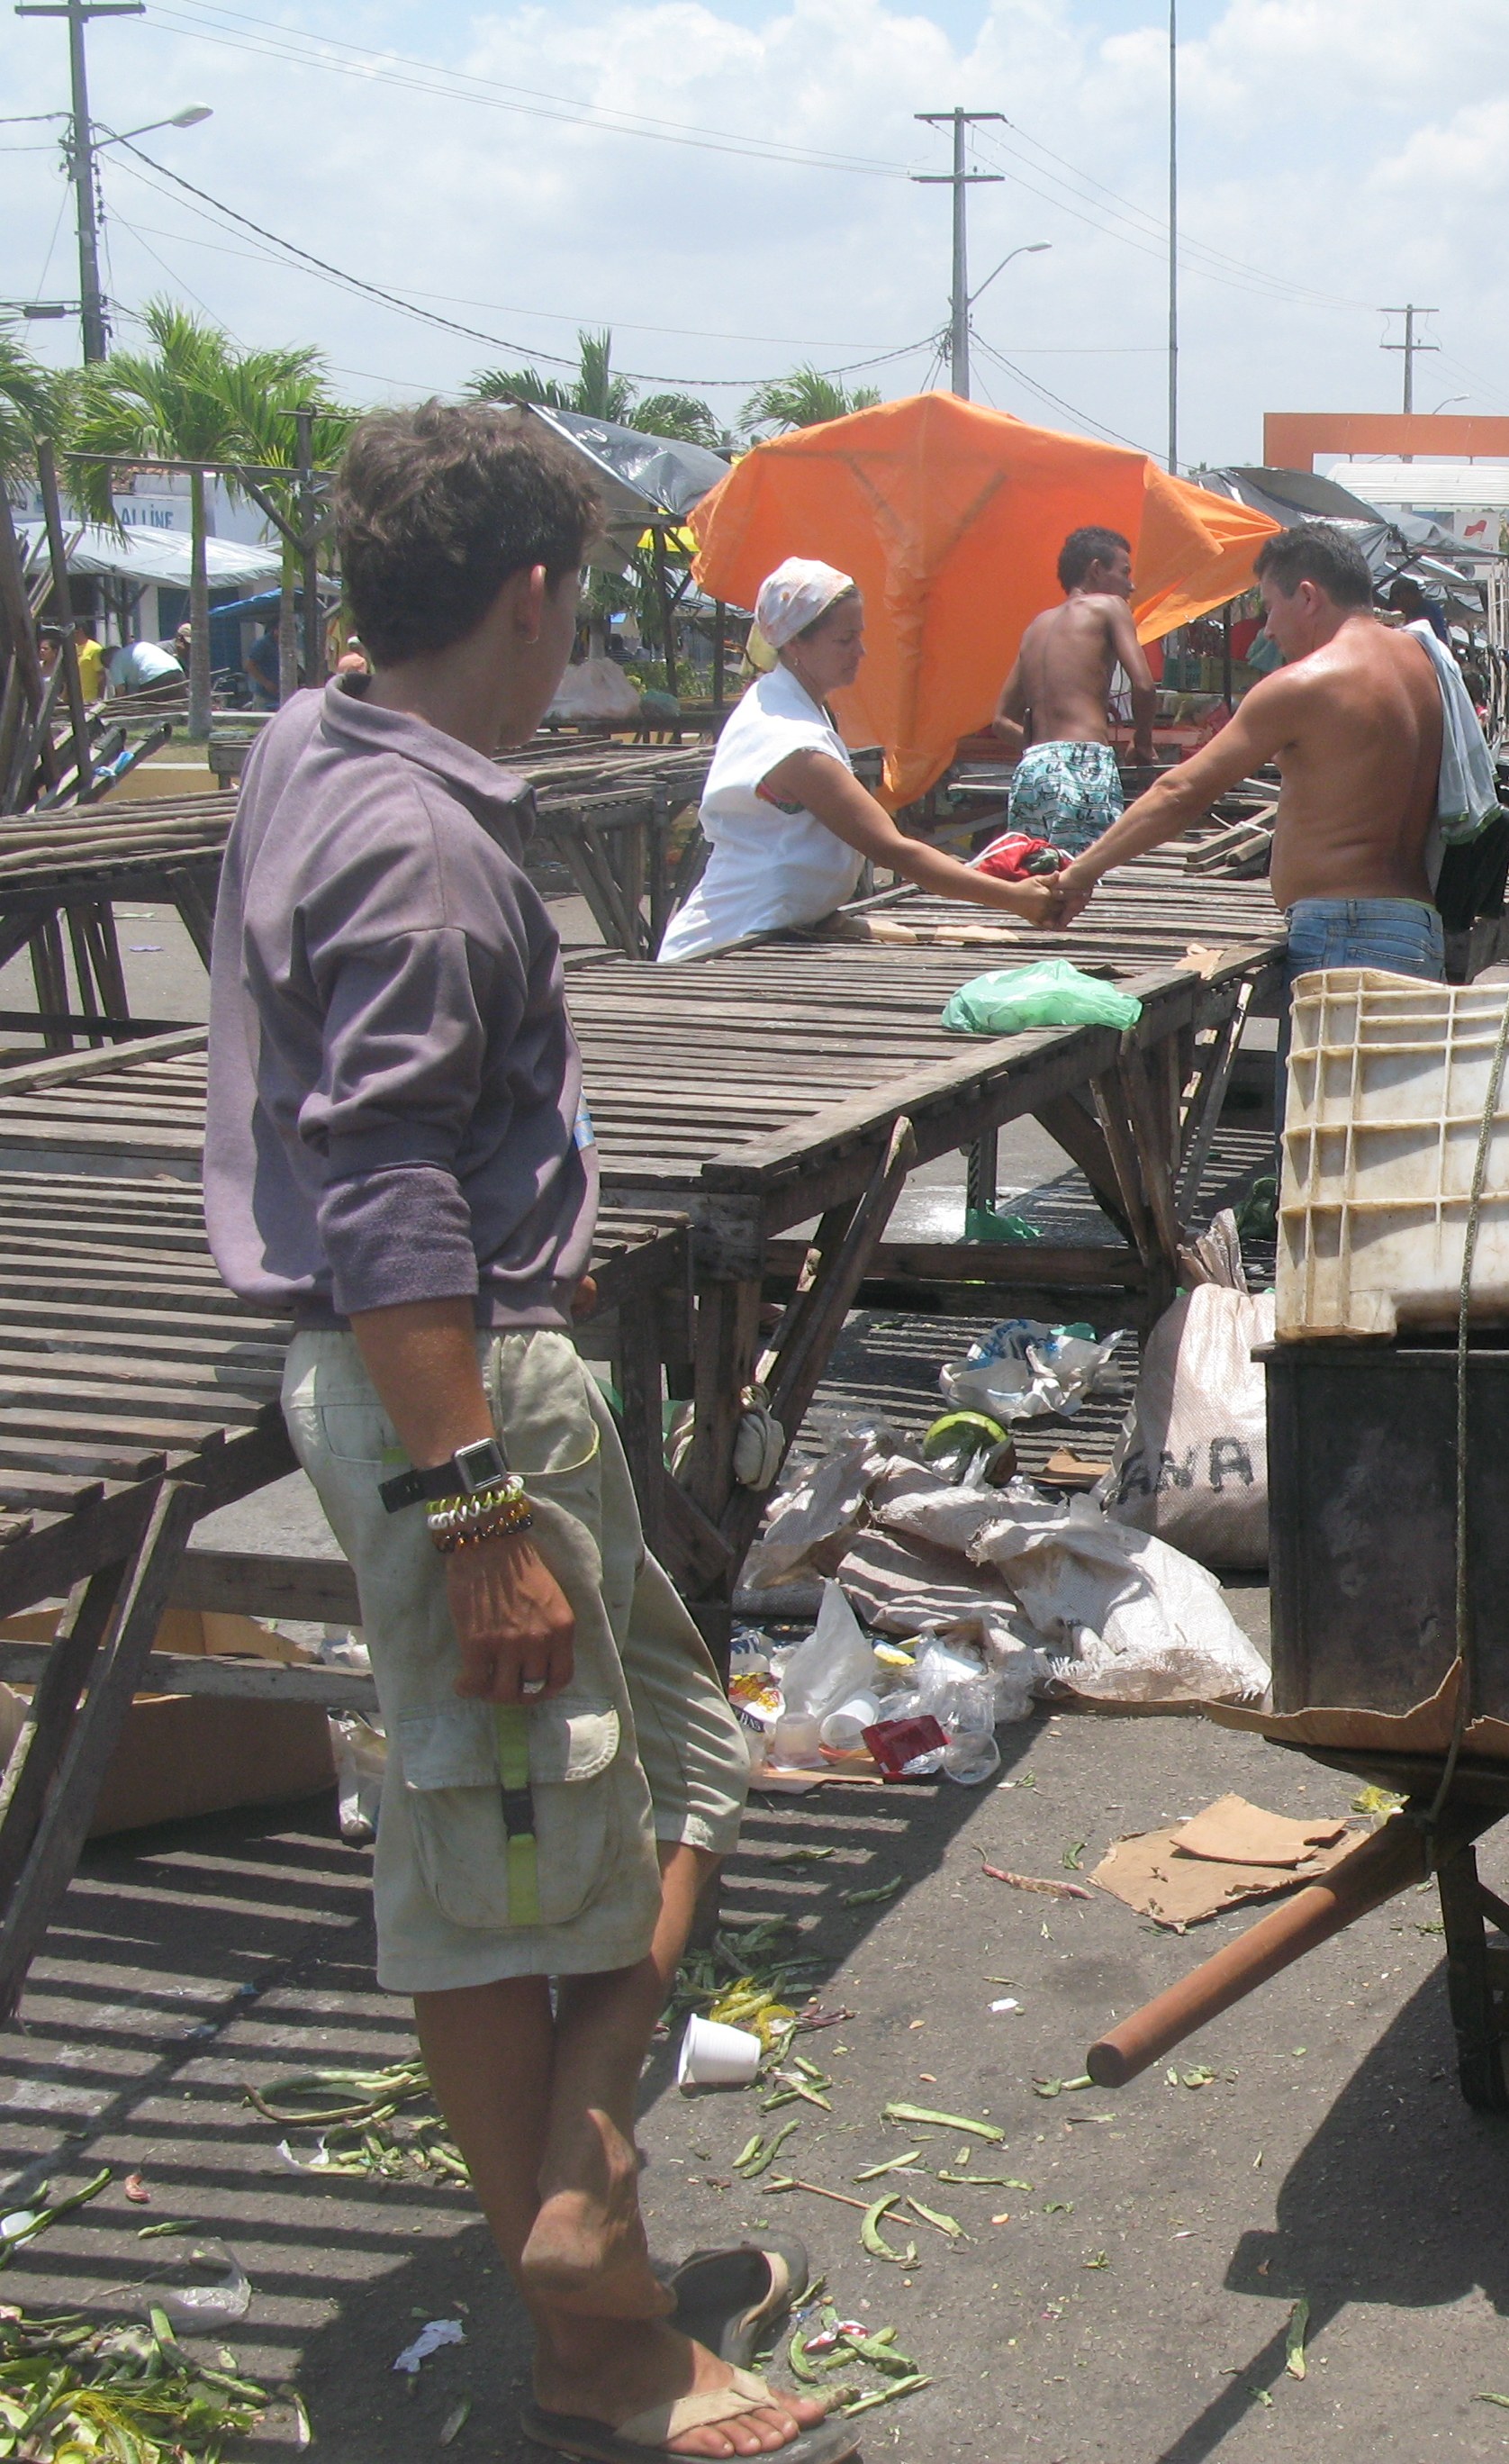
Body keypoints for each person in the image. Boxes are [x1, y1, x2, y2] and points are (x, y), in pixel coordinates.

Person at [201, 403, 842, 2464]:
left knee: (681, 1755)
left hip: (457, 1377)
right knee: (508, 1859)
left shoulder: (323, 740)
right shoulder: (413, 840)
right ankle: (598, 2314)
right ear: (542, 596)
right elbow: (385, 1181)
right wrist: (476, 1502)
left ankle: (584, 2200)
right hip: (457, 1389)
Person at [1051, 526, 1447, 983]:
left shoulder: (1307, 683)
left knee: (1325, 1060)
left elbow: (1181, 792)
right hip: (1417, 926)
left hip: (1347, 932)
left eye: (1270, 609)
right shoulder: (1424, 665)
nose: (1269, 629)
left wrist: (1079, 873)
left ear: (1307, 596)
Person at [657, 560, 1055, 960]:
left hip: (782, 930)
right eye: (845, 640)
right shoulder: (792, 742)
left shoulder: (787, 704)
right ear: (796, 644)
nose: (860, 651)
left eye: (859, 636)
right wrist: (1015, 898)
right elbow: (892, 850)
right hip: (727, 947)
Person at [988, 526, 1158, 856]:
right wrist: (1143, 742)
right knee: (1084, 877)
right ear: (1096, 569)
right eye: (1124, 572)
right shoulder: (1108, 606)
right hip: (1084, 763)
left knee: (1035, 879)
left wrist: (1042, 749)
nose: (1131, 585)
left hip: (1033, 767)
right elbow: (1144, 685)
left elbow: (1001, 721)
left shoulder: (1037, 626)